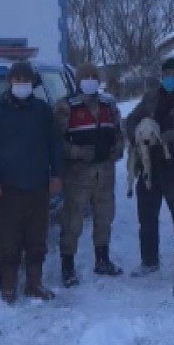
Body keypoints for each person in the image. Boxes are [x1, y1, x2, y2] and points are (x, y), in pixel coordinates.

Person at [0, 61, 62, 303]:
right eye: (17, 80)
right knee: (7, 240)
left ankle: (34, 283)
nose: (22, 84)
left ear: (32, 83)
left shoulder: (42, 111)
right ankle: (8, 285)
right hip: (6, 189)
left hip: (38, 186)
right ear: (9, 82)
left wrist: (57, 174)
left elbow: (55, 144)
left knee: (37, 239)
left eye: (26, 80)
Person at [125, 57, 174, 279]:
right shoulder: (151, 97)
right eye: (166, 74)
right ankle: (149, 260)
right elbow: (130, 120)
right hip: (149, 165)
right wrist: (136, 135)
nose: (170, 79)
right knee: (146, 216)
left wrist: (164, 136)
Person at [54, 62, 124, 287]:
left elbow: (119, 133)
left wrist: (117, 149)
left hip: (105, 173)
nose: (91, 80)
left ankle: (102, 260)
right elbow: (56, 142)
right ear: (77, 80)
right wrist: (79, 152)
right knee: (72, 221)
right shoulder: (65, 106)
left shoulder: (108, 104)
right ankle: (67, 266)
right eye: (86, 76)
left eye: (95, 76)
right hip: (78, 175)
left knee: (105, 217)